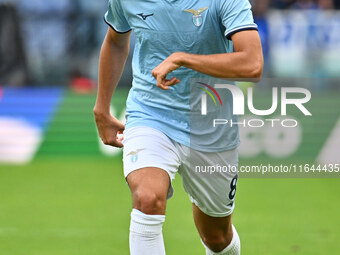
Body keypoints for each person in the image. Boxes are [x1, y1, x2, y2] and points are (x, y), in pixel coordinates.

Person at [94, 0, 263, 254]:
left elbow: (252, 64)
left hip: (211, 126)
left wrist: (183, 59)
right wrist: (102, 107)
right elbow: (116, 40)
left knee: (217, 237)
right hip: (150, 113)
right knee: (147, 198)